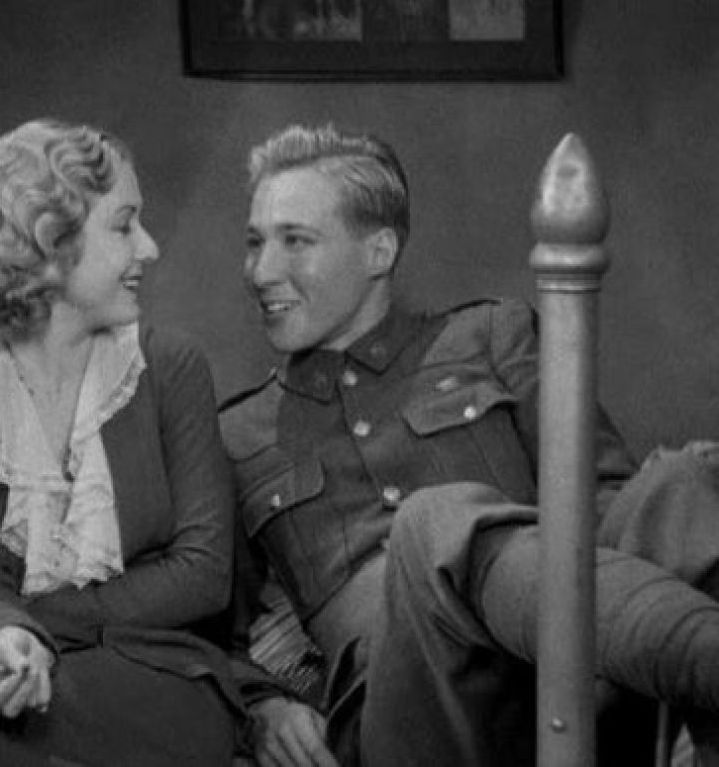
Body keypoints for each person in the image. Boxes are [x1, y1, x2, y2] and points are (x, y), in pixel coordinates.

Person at [221, 123, 719, 766]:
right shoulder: (237, 432)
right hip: (420, 719)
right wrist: (262, 706)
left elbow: (606, 503)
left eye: (295, 241)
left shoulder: (491, 337)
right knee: (430, 522)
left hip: (573, 685)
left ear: (378, 251)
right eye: (255, 243)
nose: (261, 271)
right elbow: (208, 631)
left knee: (680, 479)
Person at [0, 119, 281, 767]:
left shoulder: (169, 368)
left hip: (165, 669)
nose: (149, 247)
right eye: (124, 226)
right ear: (50, 244)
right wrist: (7, 637)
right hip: (37, 665)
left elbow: (202, 577)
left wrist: (27, 619)